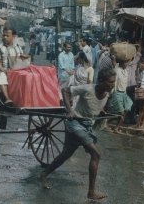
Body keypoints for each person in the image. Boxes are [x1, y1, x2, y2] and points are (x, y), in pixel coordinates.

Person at [38, 68, 116, 200]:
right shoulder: (87, 89)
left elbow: (96, 104)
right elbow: (65, 90)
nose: (113, 84)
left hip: (87, 126)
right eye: (110, 82)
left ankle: (43, 174)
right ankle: (91, 192)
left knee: (65, 154)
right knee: (96, 154)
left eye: (114, 82)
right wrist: (69, 110)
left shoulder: (109, 92)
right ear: (101, 81)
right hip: (75, 124)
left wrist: (101, 111)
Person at [0, 27, 30, 106]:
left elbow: (22, 55)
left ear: (14, 36)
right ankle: (7, 99)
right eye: (4, 35)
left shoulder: (17, 47)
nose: (5, 37)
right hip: (5, 71)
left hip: (17, 71)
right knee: (0, 75)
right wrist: (3, 70)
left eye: (7, 36)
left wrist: (27, 57)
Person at [106, 55, 132, 134]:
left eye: (127, 62)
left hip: (124, 93)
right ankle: (113, 126)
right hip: (117, 93)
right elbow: (114, 65)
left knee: (126, 110)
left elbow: (129, 60)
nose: (126, 64)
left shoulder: (125, 70)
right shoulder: (117, 70)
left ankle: (110, 124)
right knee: (121, 113)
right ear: (120, 63)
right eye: (124, 62)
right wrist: (114, 58)